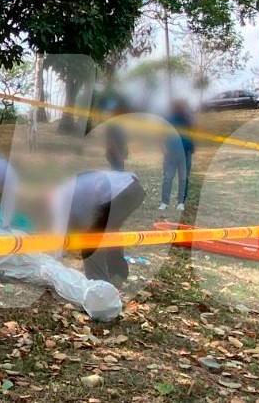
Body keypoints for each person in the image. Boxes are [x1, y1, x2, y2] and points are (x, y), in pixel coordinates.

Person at [51, 134, 145, 287]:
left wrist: (55, 261)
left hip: (121, 192)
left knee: (91, 239)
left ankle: (99, 288)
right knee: (110, 231)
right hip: (133, 188)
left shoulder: (59, 197)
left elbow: (59, 229)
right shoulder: (71, 189)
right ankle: (118, 274)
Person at [159, 99, 194, 211]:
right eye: (179, 106)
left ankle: (181, 202)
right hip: (171, 153)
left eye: (183, 106)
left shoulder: (188, 119)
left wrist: (191, 149)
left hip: (185, 153)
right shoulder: (168, 119)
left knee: (183, 178)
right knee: (168, 178)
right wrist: (163, 148)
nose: (182, 108)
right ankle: (164, 202)